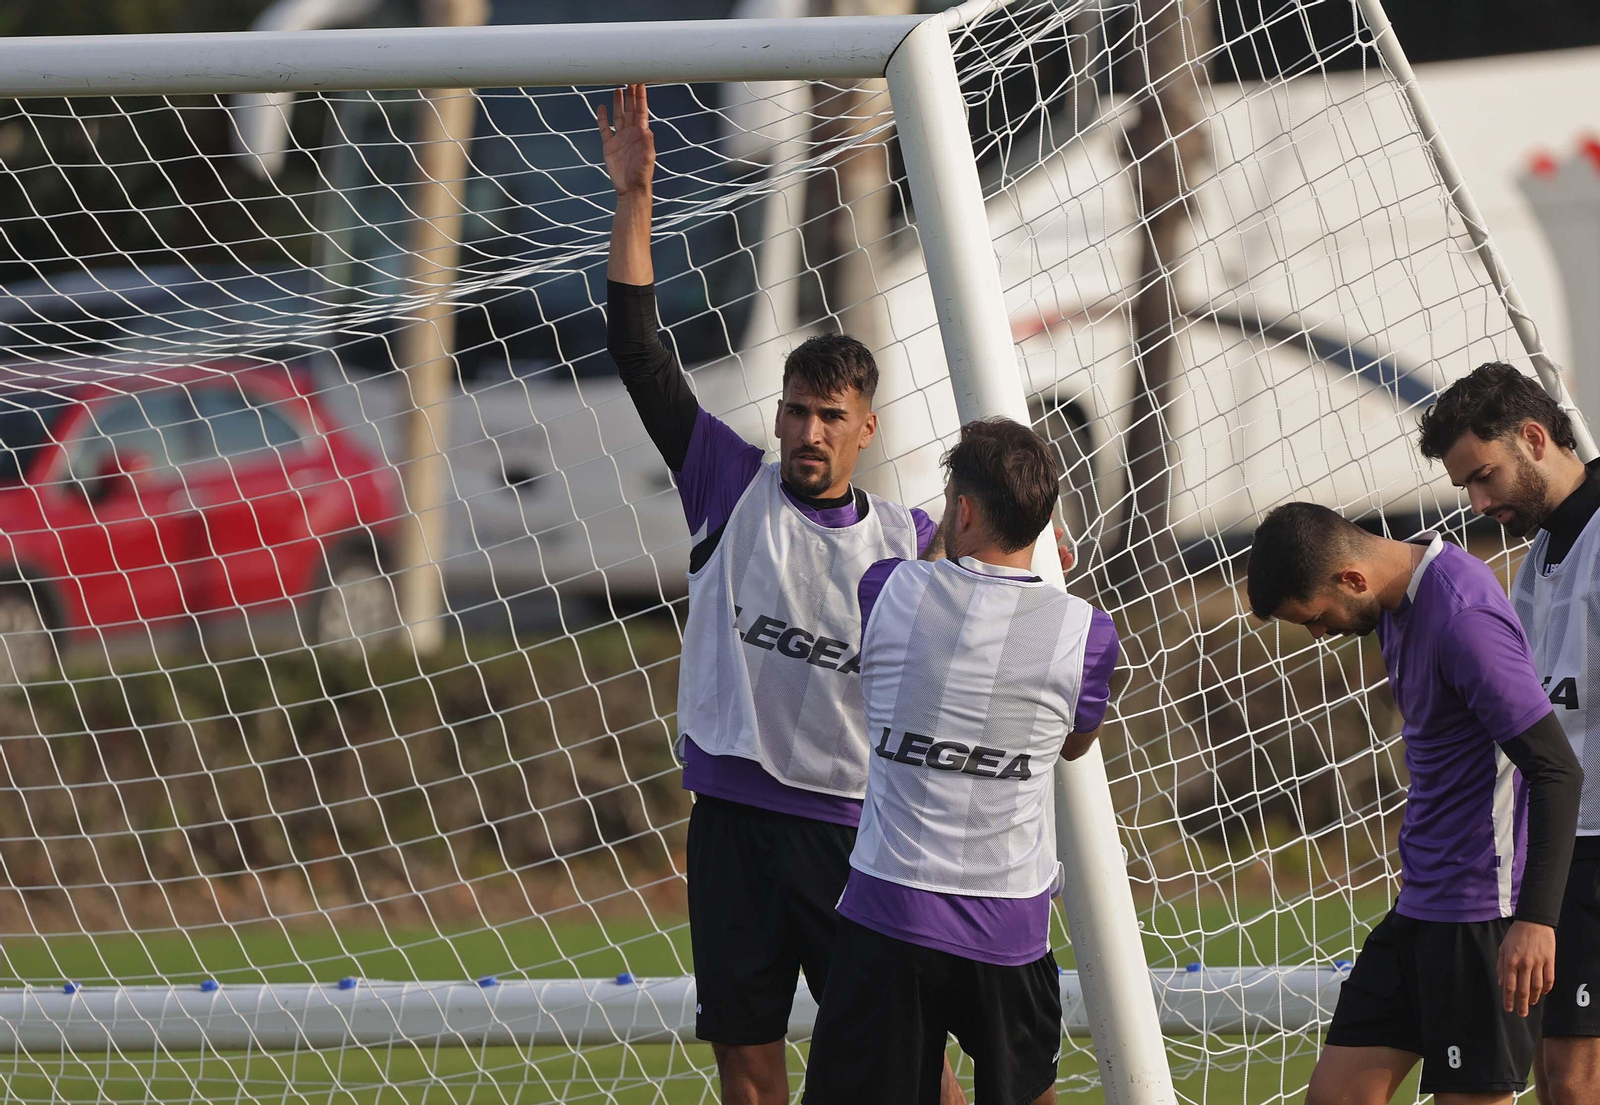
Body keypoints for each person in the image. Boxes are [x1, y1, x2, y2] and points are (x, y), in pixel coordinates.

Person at [597, 84, 963, 1105]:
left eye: (827, 416)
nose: (805, 432)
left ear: (865, 430)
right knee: (750, 1077)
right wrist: (634, 198)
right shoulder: (727, 484)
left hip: (856, 834)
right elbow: (637, 349)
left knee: (914, 1071)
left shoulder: (911, 543)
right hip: (732, 828)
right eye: (794, 412)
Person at [803, 417, 1118, 1105]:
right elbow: (1074, 740)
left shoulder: (887, 589)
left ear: (965, 510)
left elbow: (929, 577)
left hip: (888, 912)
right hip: (1005, 927)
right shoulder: (1087, 634)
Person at [1246, 502, 1582, 1105]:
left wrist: (1536, 920)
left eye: (1317, 618)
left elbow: (1556, 769)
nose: (1320, 635)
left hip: (1483, 918)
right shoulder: (1399, 595)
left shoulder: (1463, 618)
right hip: (1421, 909)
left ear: (1352, 579)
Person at [1418, 361, 1600, 1105]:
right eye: (1466, 484)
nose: (1478, 498)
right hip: (1558, 847)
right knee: (1561, 1074)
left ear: (1534, 437)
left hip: (1592, 843)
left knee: (1573, 1072)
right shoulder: (1538, 557)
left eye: (1485, 475)